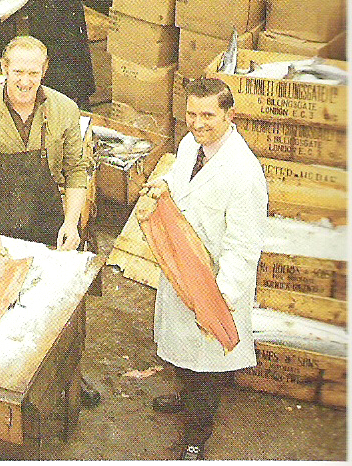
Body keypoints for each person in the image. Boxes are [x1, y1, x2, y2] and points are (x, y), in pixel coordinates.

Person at [0, 34, 100, 407]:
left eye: (33, 73)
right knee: (0, 303)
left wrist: (72, 222)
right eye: (18, 71)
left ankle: (72, 373)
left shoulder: (64, 110)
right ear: (3, 68)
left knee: (62, 305)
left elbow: (76, 171)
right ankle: (0, 378)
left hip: (48, 217)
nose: (25, 81)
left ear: (44, 71)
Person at [136, 77, 268, 460]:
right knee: (179, 350)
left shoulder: (244, 173)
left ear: (229, 115)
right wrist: (161, 186)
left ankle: (197, 435)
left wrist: (217, 301)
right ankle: (184, 393)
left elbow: (243, 247)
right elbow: (181, 182)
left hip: (213, 283)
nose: (197, 123)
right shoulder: (190, 144)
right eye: (191, 113)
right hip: (181, 268)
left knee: (207, 368)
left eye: (208, 115)